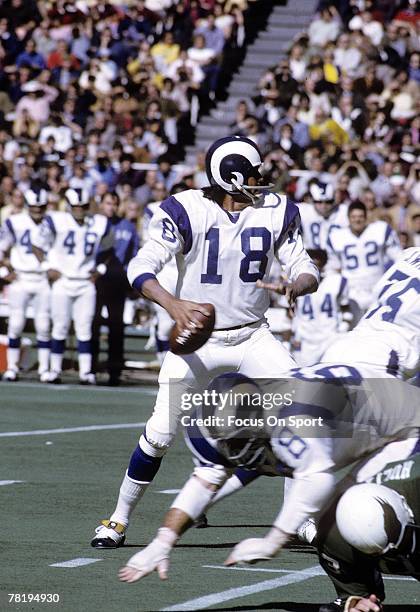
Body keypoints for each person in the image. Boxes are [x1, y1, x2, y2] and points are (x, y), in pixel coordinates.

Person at [90, 135, 319, 548]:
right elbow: (141, 265)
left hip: (252, 335)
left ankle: (298, 517)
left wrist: (298, 283)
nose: (261, 181)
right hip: (196, 340)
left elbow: (305, 265)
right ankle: (118, 519)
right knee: (160, 433)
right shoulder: (185, 209)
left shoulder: (277, 210)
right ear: (231, 179)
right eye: (252, 175)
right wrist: (172, 304)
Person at [117, 367, 419, 584]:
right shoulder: (210, 426)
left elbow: (318, 480)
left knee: (354, 514)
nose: (233, 451)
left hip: (407, 431)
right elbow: (203, 482)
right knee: (329, 519)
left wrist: (271, 542)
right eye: (228, 442)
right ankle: (358, 595)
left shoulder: (296, 416)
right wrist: (161, 542)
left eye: (238, 440)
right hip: (369, 429)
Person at [31, 188, 114, 384]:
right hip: (63, 280)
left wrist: (100, 268)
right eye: (75, 207)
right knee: (59, 327)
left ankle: (85, 372)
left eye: (83, 207)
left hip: (85, 282)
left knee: (84, 328)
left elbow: (110, 247)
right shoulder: (56, 220)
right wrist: (46, 267)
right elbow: (36, 244)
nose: (79, 211)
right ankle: (55, 370)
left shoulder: (100, 223)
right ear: (68, 206)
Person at [0, 188, 51, 382]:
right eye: (34, 207)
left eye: (41, 207)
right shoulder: (14, 222)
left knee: (44, 325)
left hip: (42, 278)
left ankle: (45, 369)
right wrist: (4, 272)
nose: (37, 211)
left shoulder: (52, 222)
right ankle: (12, 367)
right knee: (15, 323)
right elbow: (1, 248)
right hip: (21, 277)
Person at [92, 192, 139, 386]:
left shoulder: (128, 227)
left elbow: (134, 254)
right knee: (91, 323)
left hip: (117, 280)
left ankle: (114, 370)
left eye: (114, 203)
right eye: (107, 203)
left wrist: (131, 281)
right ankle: (90, 367)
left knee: (116, 326)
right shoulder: (92, 225)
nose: (110, 207)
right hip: (94, 280)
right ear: (101, 204)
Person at [326, 202, 401, 324]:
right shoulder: (337, 236)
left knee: (379, 329)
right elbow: (332, 268)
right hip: (351, 291)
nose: (357, 220)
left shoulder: (380, 229)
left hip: (377, 288)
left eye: (360, 216)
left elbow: (398, 256)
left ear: (366, 217)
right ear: (348, 218)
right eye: (354, 217)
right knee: (352, 330)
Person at [292, 249, 350, 366]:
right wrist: (294, 336)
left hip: (331, 337)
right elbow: (289, 313)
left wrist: (343, 330)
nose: (314, 269)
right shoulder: (295, 282)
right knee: (304, 380)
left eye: (317, 265)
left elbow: (346, 310)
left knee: (334, 379)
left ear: (324, 264)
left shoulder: (337, 281)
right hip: (306, 340)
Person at [298, 179, 348, 250]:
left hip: (336, 257)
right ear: (311, 200)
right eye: (319, 202)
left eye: (328, 202)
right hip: (311, 256)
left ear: (334, 200)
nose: (323, 206)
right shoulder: (302, 210)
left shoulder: (343, 211)